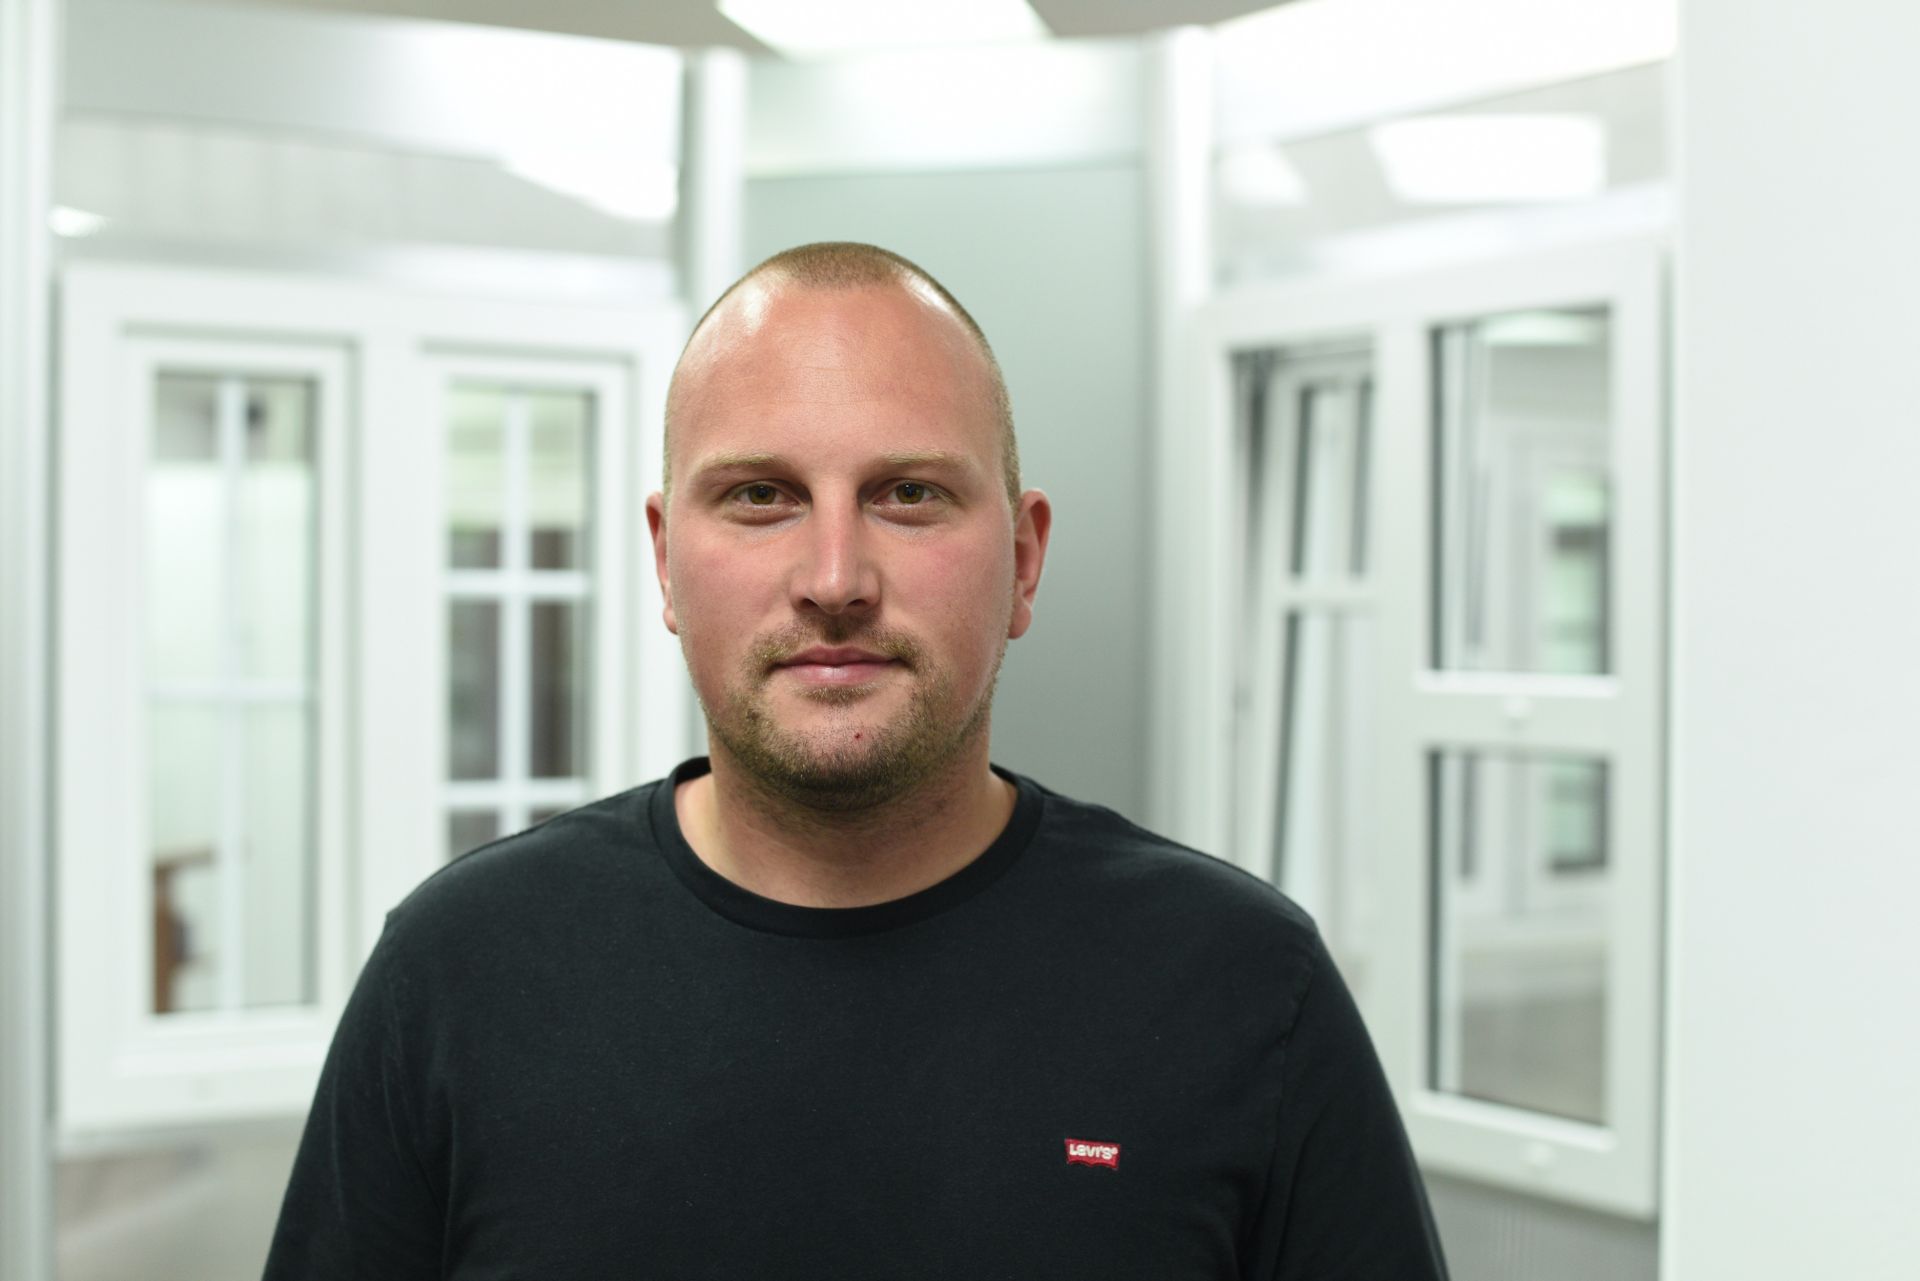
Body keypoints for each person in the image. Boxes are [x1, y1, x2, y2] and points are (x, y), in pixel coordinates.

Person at [263, 242, 1450, 1280]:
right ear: (666, 561)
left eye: (909, 494)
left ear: (1024, 561)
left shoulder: (1243, 987)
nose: (835, 578)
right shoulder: (460, 976)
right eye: (761, 496)